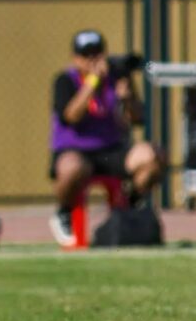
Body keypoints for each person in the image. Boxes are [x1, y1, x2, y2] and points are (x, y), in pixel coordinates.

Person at [49, 29, 164, 246]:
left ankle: (130, 204)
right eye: (86, 55)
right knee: (71, 168)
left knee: (151, 156)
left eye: (97, 53)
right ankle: (64, 212)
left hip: (111, 149)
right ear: (75, 58)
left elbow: (138, 118)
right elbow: (71, 116)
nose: (93, 60)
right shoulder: (65, 80)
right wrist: (92, 82)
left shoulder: (117, 78)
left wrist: (127, 98)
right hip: (76, 150)